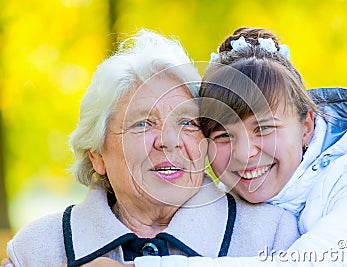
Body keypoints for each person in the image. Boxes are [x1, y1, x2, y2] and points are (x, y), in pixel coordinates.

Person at [1, 29, 299, 267]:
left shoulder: (273, 235)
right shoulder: (36, 249)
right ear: (97, 156)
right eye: (143, 123)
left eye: (187, 122)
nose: (168, 141)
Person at [130, 27, 347, 266]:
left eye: (264, 129)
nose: (245, 154)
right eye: (223, 135)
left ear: (306, 126)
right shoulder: (217, 201)